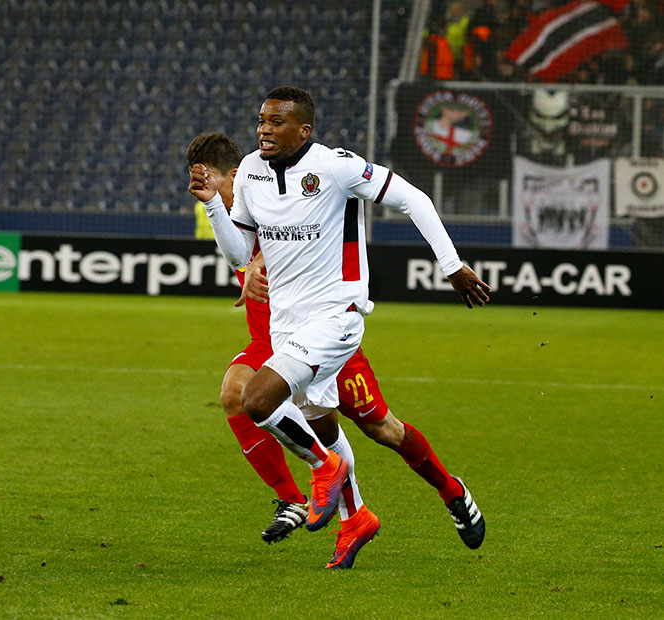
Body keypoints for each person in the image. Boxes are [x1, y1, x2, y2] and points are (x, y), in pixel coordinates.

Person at [188, 88, 490, 560]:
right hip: (287, 329)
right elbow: (240, 254)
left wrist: (451, 265)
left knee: (270, 402)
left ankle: (442, 488)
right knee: (324, 428)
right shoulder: (250, 171)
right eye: (261, 120)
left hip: (335, 319)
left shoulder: (335, 166)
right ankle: (355, 517)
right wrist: (212, 205)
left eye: (276, 122)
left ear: (303, 129)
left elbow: (413, 198)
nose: (264, 129)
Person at [186, 132, 377, 569]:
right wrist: (225, 224)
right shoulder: (237, 214)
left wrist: (261, 259)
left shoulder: (272, 193)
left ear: (237, 174)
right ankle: (306, 502)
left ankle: (377, 504)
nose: (211, 189)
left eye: (215, 180)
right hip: (273, 338)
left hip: (316, 330)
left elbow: (300, 237)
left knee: (372, 429)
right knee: (239, 395)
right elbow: (240, 252)